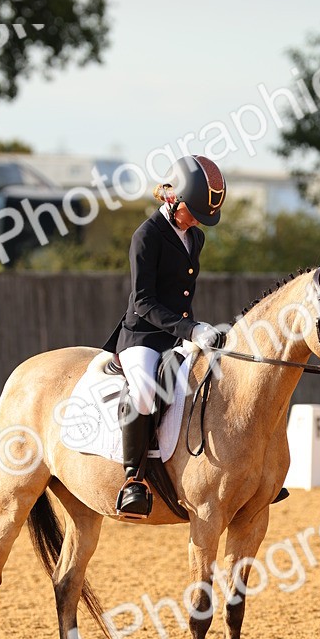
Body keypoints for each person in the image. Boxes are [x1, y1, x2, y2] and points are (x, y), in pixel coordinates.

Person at [102, 154, 225, 518]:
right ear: (174, 199)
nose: (196, 221)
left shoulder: (195, 237)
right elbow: (143, 302)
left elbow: (181, 294)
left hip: (178, 335)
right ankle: (133, 479)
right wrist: (191, 330)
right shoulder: (146, 236)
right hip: (142, 336)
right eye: (193, 212)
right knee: (143, 391)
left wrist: (193, 331)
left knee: (217, 378)